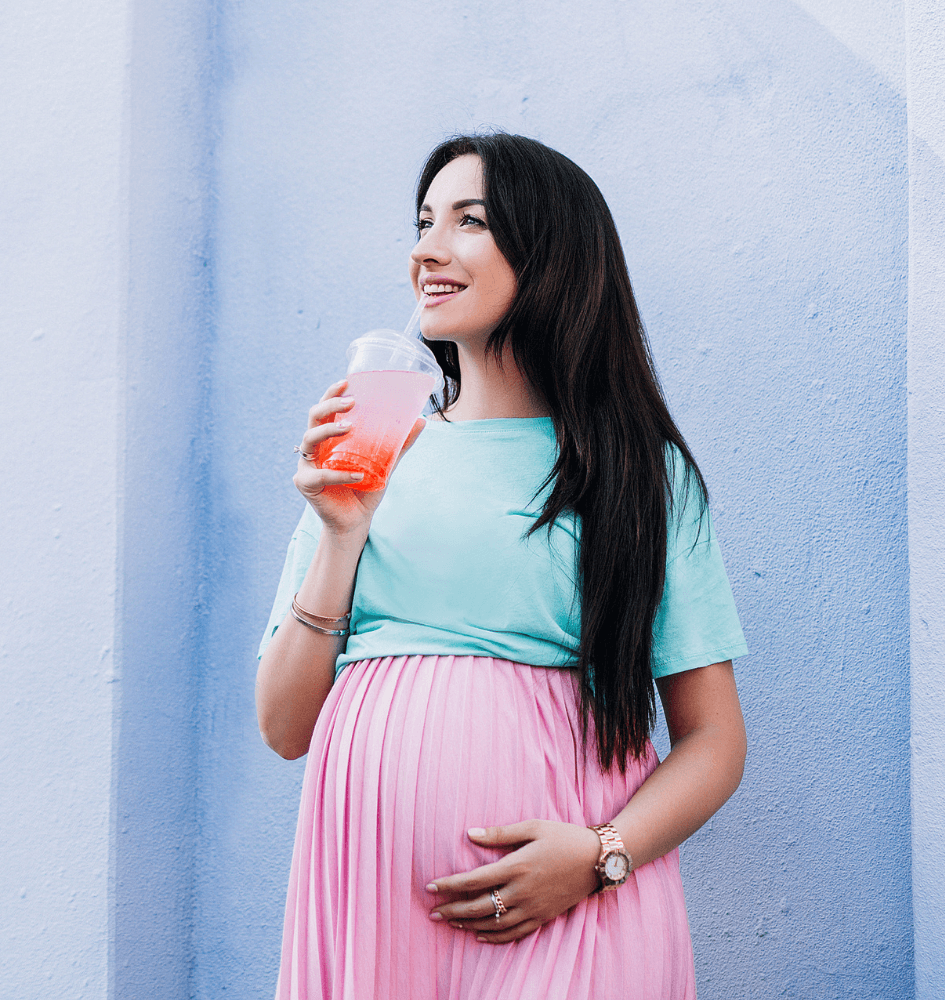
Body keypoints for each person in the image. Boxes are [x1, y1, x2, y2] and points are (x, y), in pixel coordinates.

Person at [256, 132, 749, 1000]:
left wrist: (597, 856)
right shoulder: (368, 458)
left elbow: (713, 740)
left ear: (552, 252)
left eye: (469, 221)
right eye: (422, 223)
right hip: (372, 913)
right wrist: (339, 534)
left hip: (571, 913)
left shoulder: (637, 474)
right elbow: (285, 727)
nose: (426, 249)